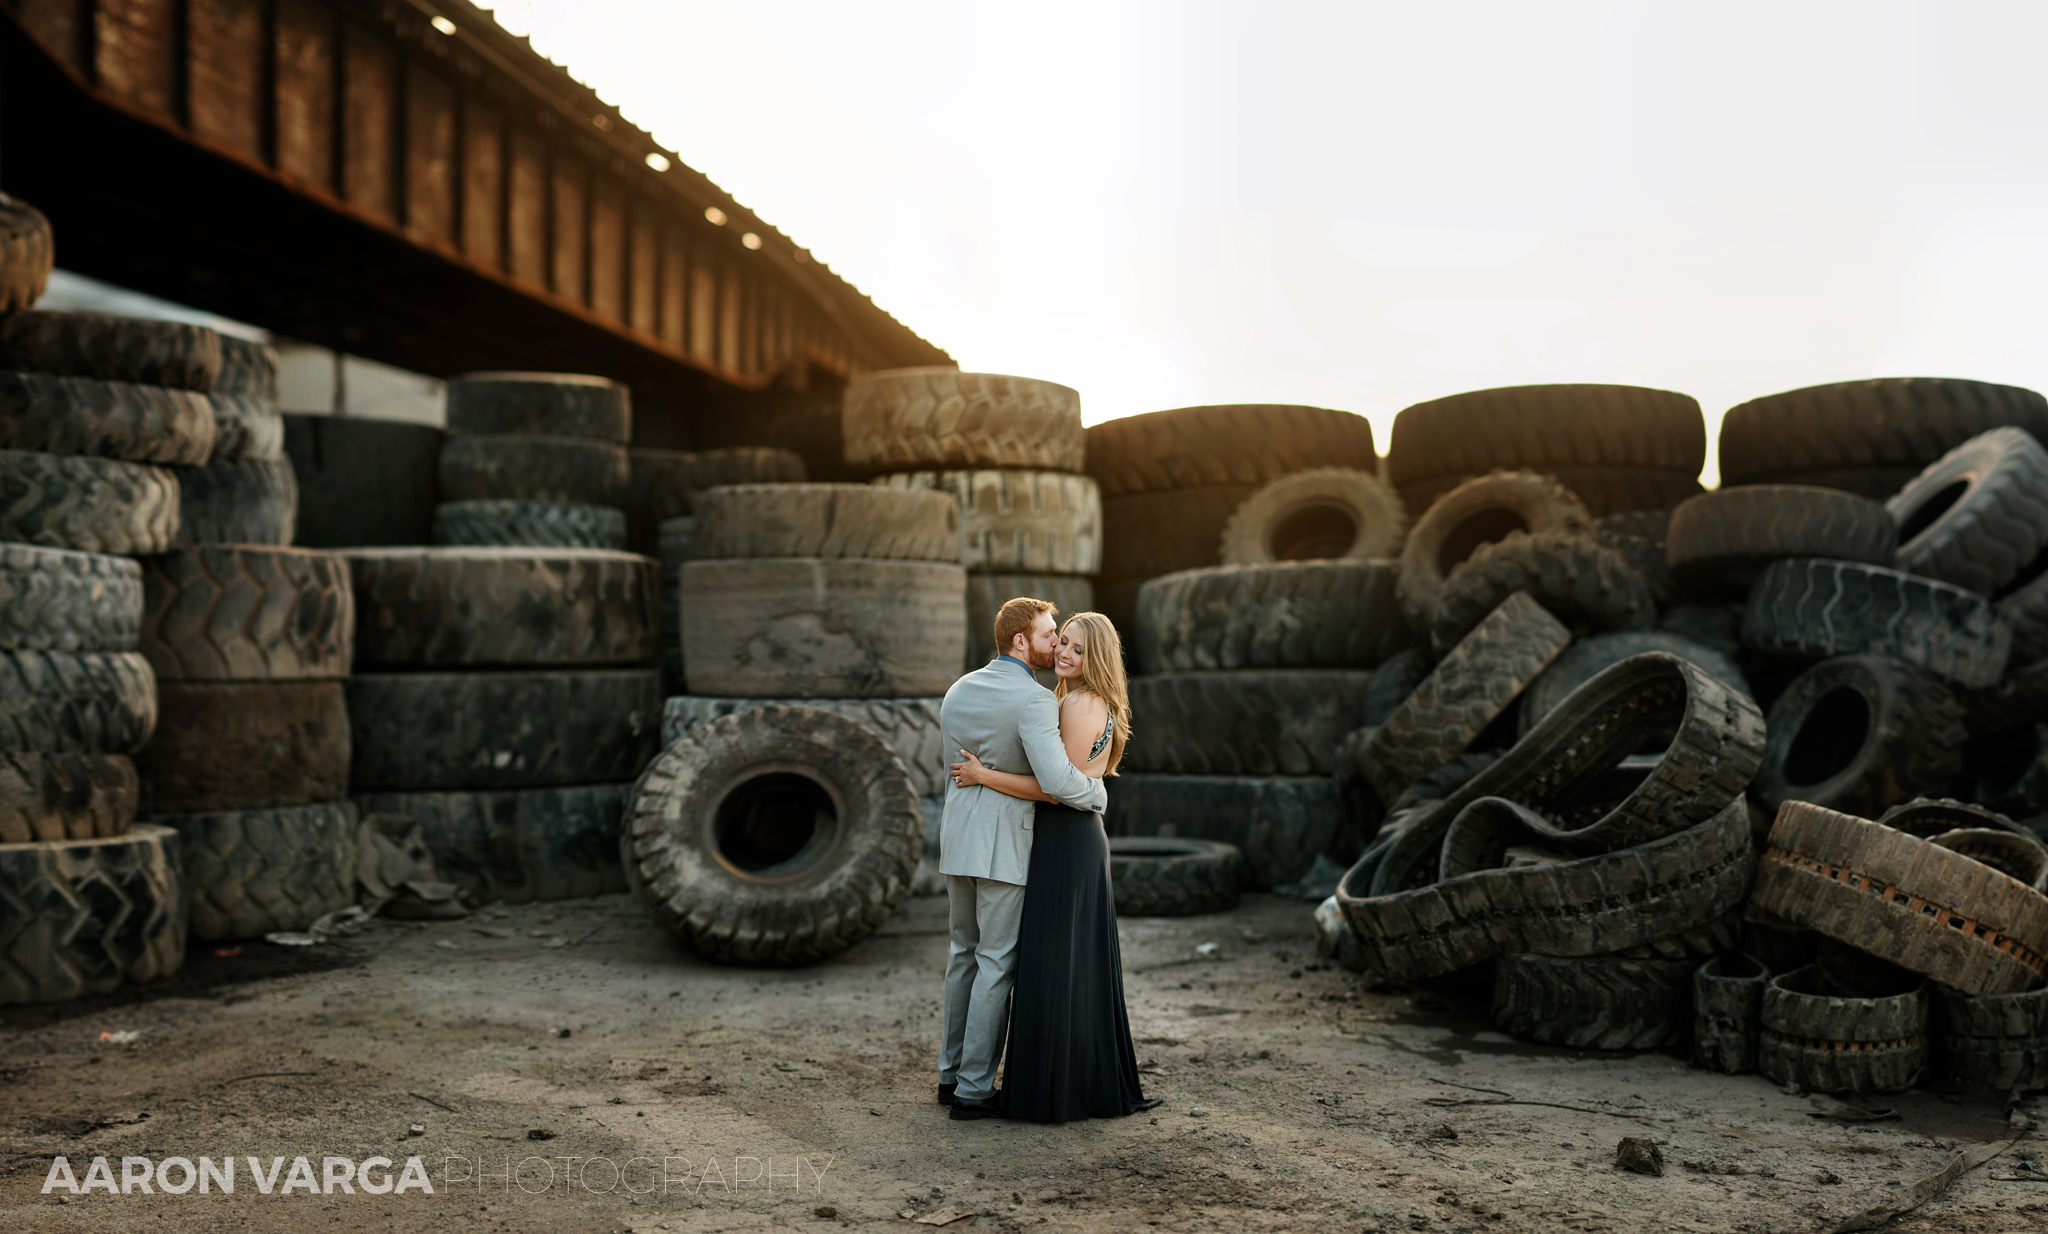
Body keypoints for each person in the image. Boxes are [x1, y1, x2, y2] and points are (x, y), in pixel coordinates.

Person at [950, 611, 1161, 1123]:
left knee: (1049, 962)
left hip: (1065, 838)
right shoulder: (1083, 700)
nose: (1064, 653)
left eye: (1077, 649)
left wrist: (984, 775)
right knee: (1059, 963)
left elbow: (1055, 788)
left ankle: (1052, 1090)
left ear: (1098, 658)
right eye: (1061, 641)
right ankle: (1060, 1082)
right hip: (1071, 839)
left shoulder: (1075, 704)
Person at [936, 597, 1109, 1121]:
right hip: (1003, 846)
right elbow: (1058, 783)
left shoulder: (958, 688)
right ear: (1020, 641)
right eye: (1049, 633)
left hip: (957, 840)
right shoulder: (1035, 700)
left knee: (961, 955)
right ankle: (972, 1091)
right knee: (995, 963)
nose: (1056, 643)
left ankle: (949, 1075)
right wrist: (1097, 794)